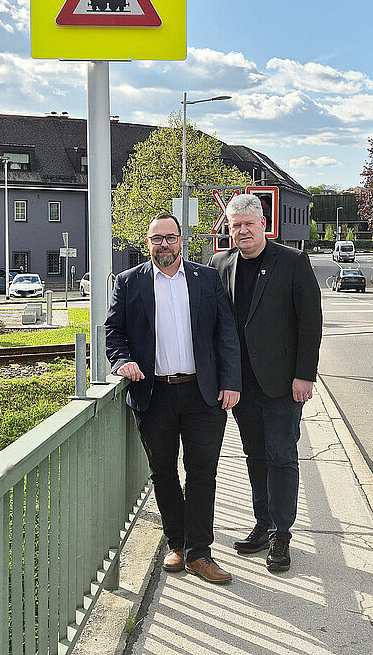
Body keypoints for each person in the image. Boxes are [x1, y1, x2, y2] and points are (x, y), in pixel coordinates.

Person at [105, 213, 241, 584]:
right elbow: (113, 332)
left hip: (203, 394)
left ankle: (200, 553)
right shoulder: (128, 282)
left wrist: (231, 382)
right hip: (154, 394)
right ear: (147, 243)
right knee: (163, 471)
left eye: (170, 237)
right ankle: (176, 544)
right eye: (156, 239)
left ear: (181, 240)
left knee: (202, 472)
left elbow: (226, 333)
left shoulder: (206, 278)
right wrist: (123, 360)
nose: (163, 245)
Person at [209, 194, 322, 572]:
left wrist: (305, 375)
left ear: (263, 225)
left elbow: (310, 323)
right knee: (254, 457)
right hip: (240, 387)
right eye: (234, 225)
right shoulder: (219, 264)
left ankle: (282, 535)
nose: (241, 231)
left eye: (247, 224)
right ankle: (263, 523)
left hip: (282, 385)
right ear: (228, 227)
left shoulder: (292, 262)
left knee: (282, 457)